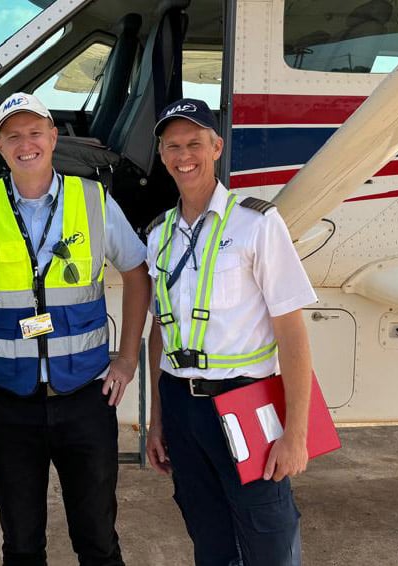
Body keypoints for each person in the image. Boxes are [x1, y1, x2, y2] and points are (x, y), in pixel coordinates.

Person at [0, 92, 150, 566]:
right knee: (21, 544)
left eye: (35, 132)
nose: (26, 144)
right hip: (6, 404)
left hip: (85, 398)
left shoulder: (92, 200)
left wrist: (127, 359)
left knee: (98, 541)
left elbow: (137, 272)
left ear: (54, 137)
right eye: (13, 135)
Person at [143, 99, 318, 566]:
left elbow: (292, 332)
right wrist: (157, 421)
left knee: (268, 536)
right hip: (181, 405)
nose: (184, 156)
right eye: (173, 146)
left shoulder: (256, 223)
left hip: (246, 400)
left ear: (216, 147)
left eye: (195, 144)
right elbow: (160, 333)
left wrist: (296, 434)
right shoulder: (158, 235)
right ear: (161, 155)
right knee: (208, 535)